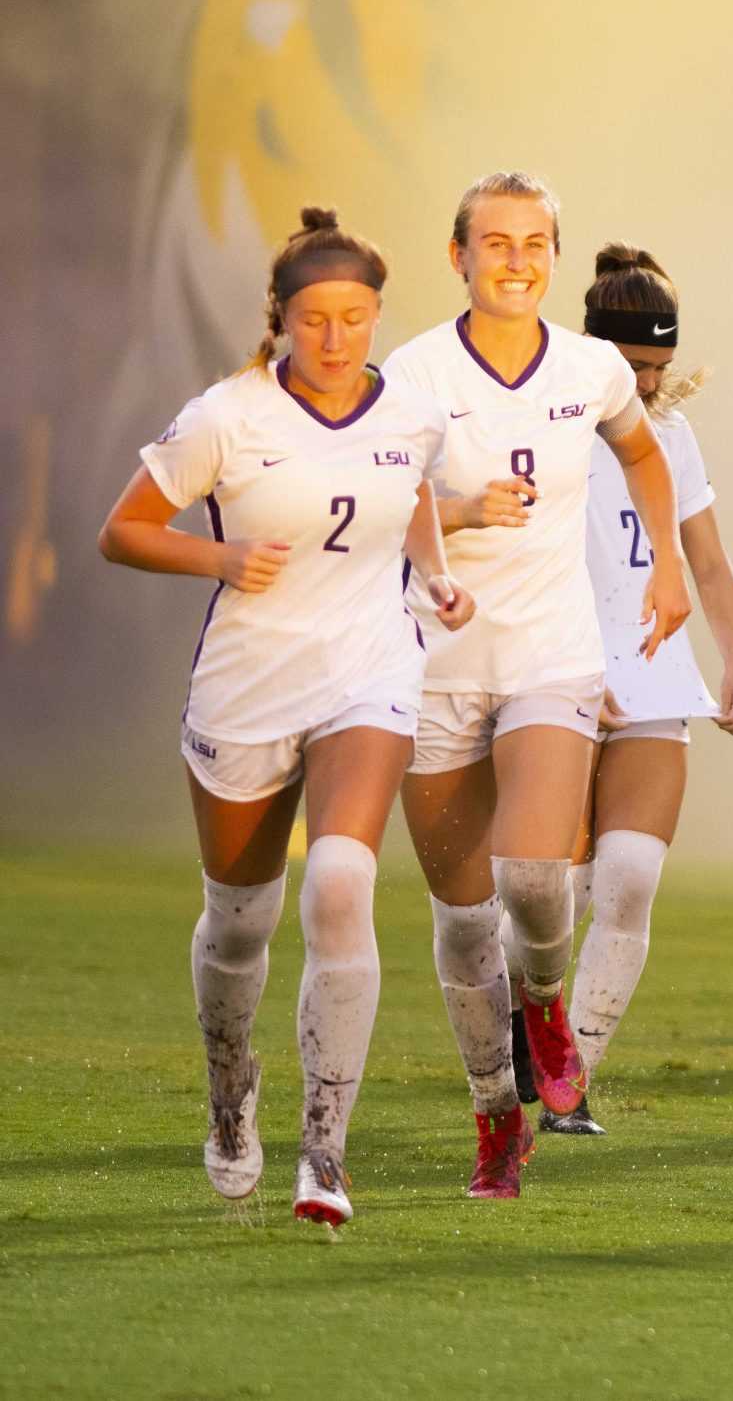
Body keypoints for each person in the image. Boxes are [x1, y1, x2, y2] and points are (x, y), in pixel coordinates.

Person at [98, 207, 474, 1225]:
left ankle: (326, 1153)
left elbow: (416, 501)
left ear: (377, 317)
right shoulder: (227, 414)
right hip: (247, 686)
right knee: (238, 927)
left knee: (342, 882)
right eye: (317, 319)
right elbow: (121, 531)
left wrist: (434, 582)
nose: (338, 337)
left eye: (357, 317)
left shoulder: (413, 413)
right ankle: (230, 1104)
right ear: (281, 320)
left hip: (368, 674)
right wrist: (218, 557)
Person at [386, 171, 691, 1199]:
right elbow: (379, 502)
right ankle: (493, 1122)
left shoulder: (592, 368)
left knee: (533, 878)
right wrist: (460, 513)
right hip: (434, 663)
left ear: (554, 258)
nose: (516, 260)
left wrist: (672, 563)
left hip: (552, 657)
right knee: (467, 924)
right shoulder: (416, 370)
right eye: (495, 242)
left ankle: (549, 1005)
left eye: (534, 244)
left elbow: (645, 457)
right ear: (458, 256)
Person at [524, 244, 733, 1138]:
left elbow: (709, 561)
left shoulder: (676, 439)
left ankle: (569, 1082)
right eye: (634, 367)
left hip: (653, 679)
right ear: (594, 348)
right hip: (556, 676)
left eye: (660, 368)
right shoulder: (544, 423)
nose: (650, 386)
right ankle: (522, 1027)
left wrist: (732, 660)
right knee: (544, 893)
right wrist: (565, 660)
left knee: (629, 878)